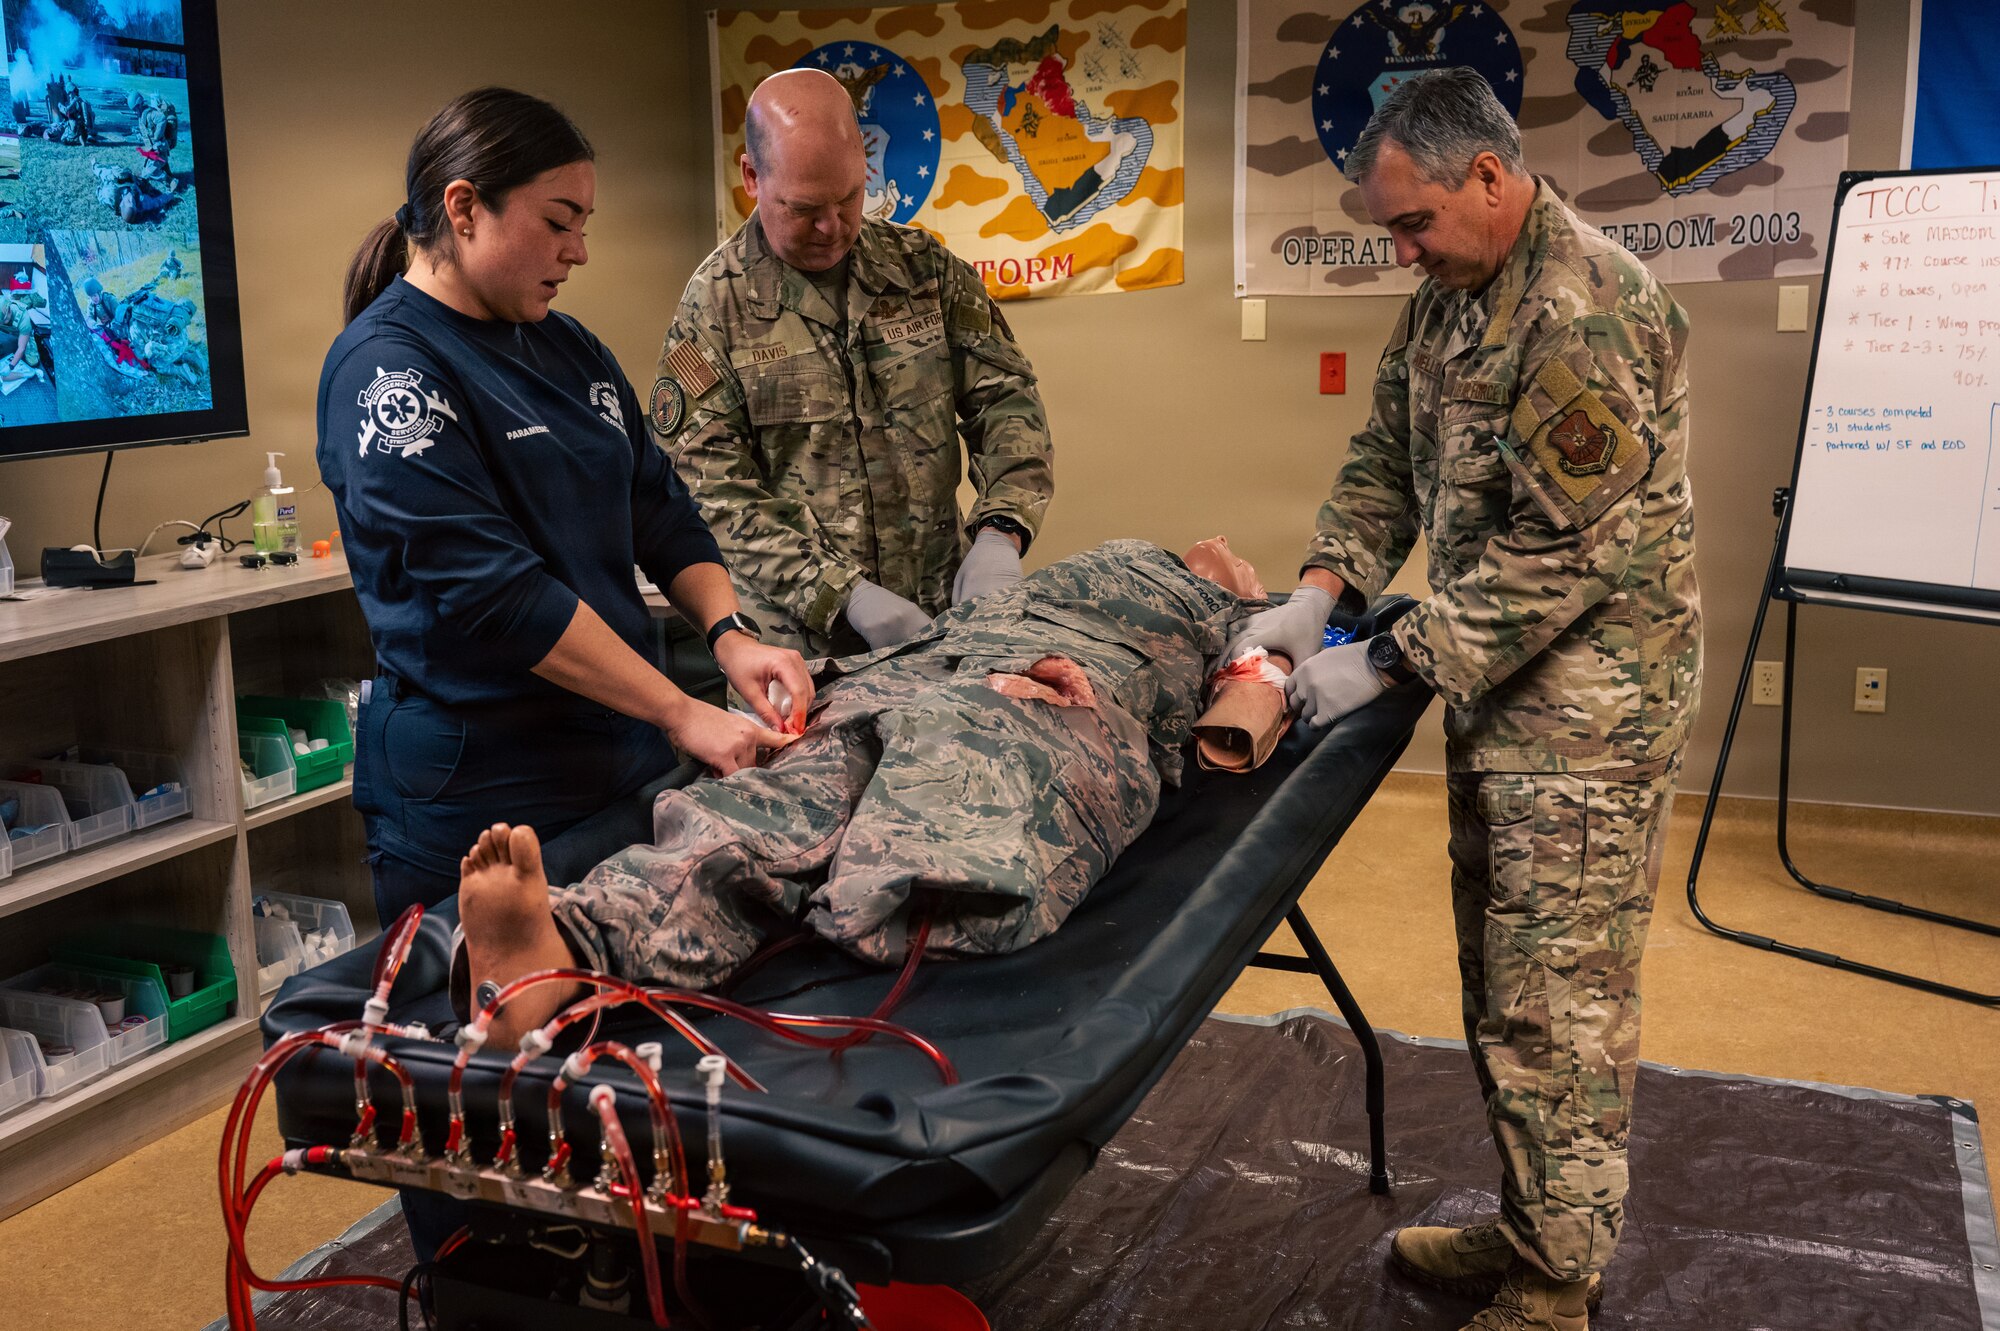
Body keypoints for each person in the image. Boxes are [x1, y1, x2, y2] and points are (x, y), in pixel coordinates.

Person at [1222, 70, 1701, 1331]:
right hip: (1503, 700)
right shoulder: (1452, 294)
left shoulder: (1581, 308)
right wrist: (1319, 589)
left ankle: (1555, 1281)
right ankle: (1528, 1215)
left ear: (1487, 176)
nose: (1400, 248)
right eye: (1389, 228)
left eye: (1413, 223)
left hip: (1586, 719)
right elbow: (1385, 452)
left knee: (1558, 1003)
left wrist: (1384, 657)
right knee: (1501, 982)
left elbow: (1568, 554)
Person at [449, 537, 1279, 1045]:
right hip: (924, 666)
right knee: (774, 794)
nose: (1216, 547)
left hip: (1061, 697)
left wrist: (1261, 651)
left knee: (973, 780)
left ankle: (882, 888)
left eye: (1228, 558)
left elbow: (1245, 714)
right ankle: (560, 956)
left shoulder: (1234, 618)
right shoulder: (1092, 567)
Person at [318, 87, 814, 931]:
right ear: (465, 207)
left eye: (585, 222)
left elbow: (657, 507)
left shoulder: (567, 345)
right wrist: (681, 709)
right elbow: (499, 596)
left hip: (616, 768)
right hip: (482, 799)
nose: (579, 250)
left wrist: (730, 637)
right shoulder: (388, 374)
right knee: (505, 1040)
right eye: (559, 221)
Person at [652, 68, 1053, 660]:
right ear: (751, 176)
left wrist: (1002, 529)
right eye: (805, 208)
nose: (832, 227)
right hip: (800, 651)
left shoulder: (926, 273)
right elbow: (712, 490)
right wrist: (844, 594)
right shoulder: (715, 305)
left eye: (849, 198)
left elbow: (1007, 401)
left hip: (942, 623)